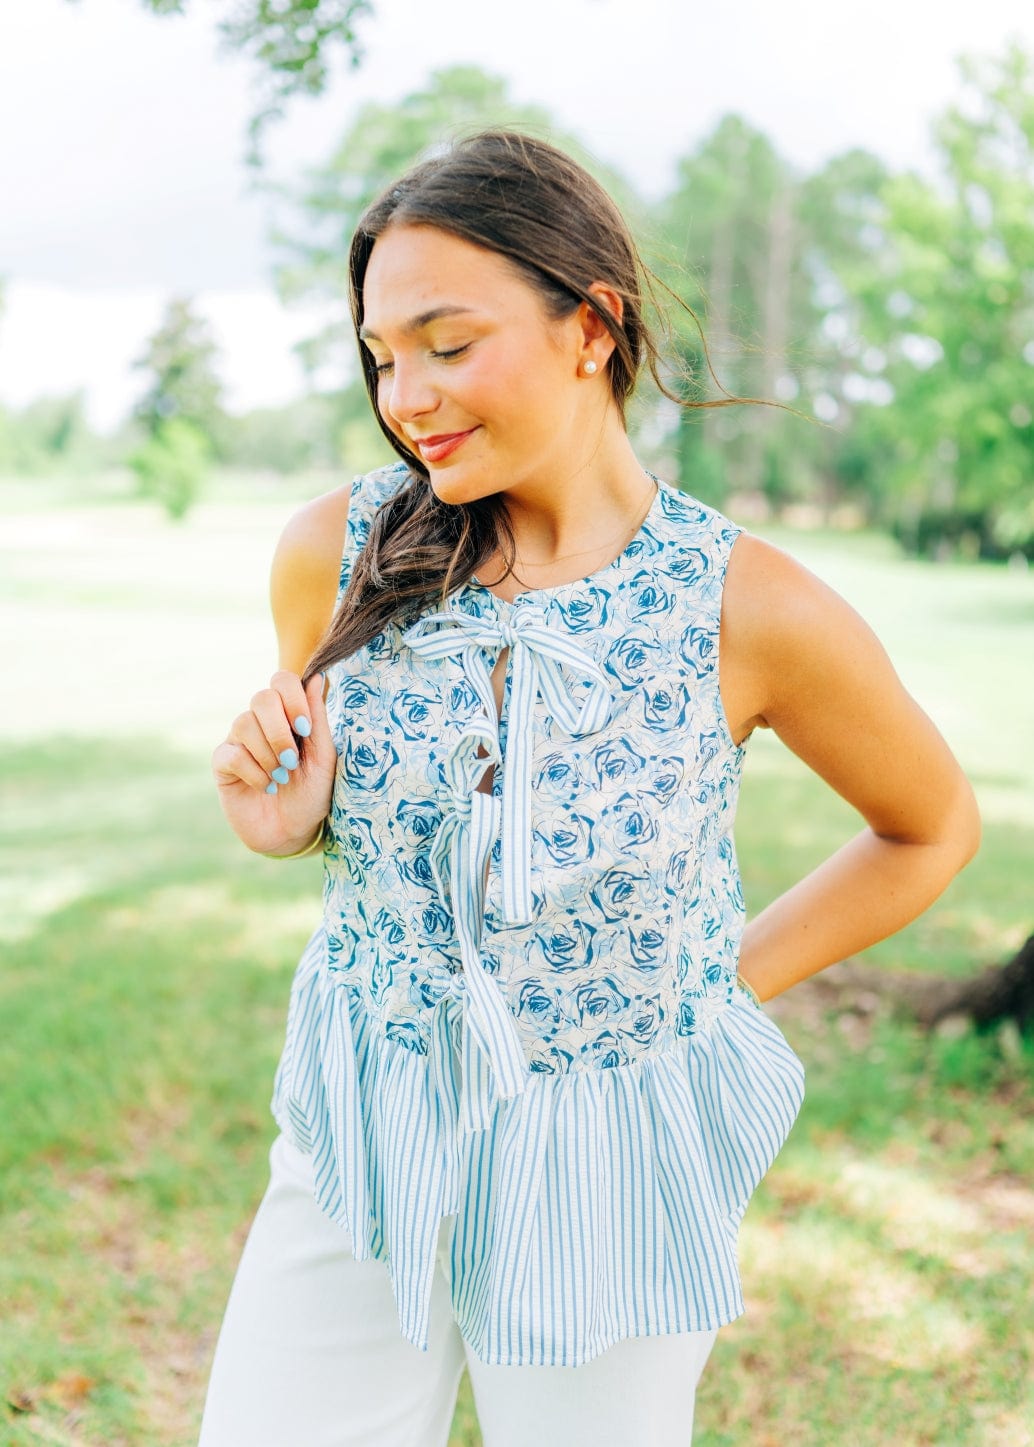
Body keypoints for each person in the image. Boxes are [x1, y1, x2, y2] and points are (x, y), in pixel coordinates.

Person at [201, 130, 980, 1447]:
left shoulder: (750, 607)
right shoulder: (329, 552)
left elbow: (930, 829)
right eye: (382, 357)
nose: (407, 397)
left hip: (608, 1164)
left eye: (448, 345)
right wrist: (287, 826)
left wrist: (708, 986)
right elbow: (338, 805)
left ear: (592, 328)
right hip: (362, 1135)